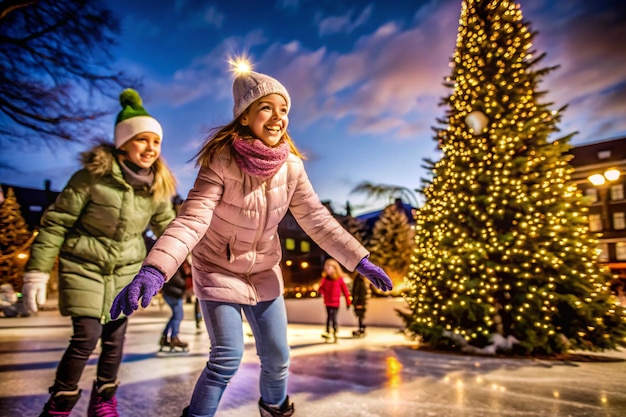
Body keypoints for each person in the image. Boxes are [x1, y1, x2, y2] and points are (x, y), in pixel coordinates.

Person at [110, 66, 393, 417]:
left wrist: (358, 259)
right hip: (216, 269)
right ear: (245, 117)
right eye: (266, 108)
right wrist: (155, 269)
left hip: (263, 270)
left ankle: (274, 410)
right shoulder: (220, 160)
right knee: (227, 357)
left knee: (278, 357)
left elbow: (317, 220)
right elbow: (192, 219)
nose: (278, 118)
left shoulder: (291, 167)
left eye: (284, 109)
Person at [21, 89, 177, 417]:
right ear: (123, 143)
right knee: (86, 336)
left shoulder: (157, 189)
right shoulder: (90, 177)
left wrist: (202, 253)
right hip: (84, 265)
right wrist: (36, 271)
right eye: (142, 140)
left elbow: (173, 229)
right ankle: (60, 402)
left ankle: (104, 400)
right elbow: (56, 224)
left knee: (115, 338)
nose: (151, 148)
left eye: (156, 142)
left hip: (126, 269)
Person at [159, 258, 192, 352]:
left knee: (175, 316)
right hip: (173, 293)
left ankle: (164, 338)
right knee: (178, 316)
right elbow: (176, 280)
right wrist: (186, 284)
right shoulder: (176, 265)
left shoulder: (177, 265)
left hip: (172, 293)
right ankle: (174, 338)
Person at [319, 258, 352, 343]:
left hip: (335, 302)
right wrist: (324, 292)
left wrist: (348, 302)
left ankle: (334, 331)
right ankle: (327, 331)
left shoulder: (339, 279)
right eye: (327, 267)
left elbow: (345, 291)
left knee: (333, 317)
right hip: (327, 302)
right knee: (329, 317)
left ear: (335, 268)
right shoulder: (325, 279)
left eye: (330, 267)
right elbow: (321, 289)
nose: (328, 269)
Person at [350, 273, 370, 337]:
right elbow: (357, 292)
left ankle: (361, 327)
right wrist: (358, 303)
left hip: (361, 302)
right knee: (360, 315)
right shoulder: (359, 281)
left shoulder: (361, 281)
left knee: (361, 316)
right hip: (359, 302)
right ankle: (361, 327)